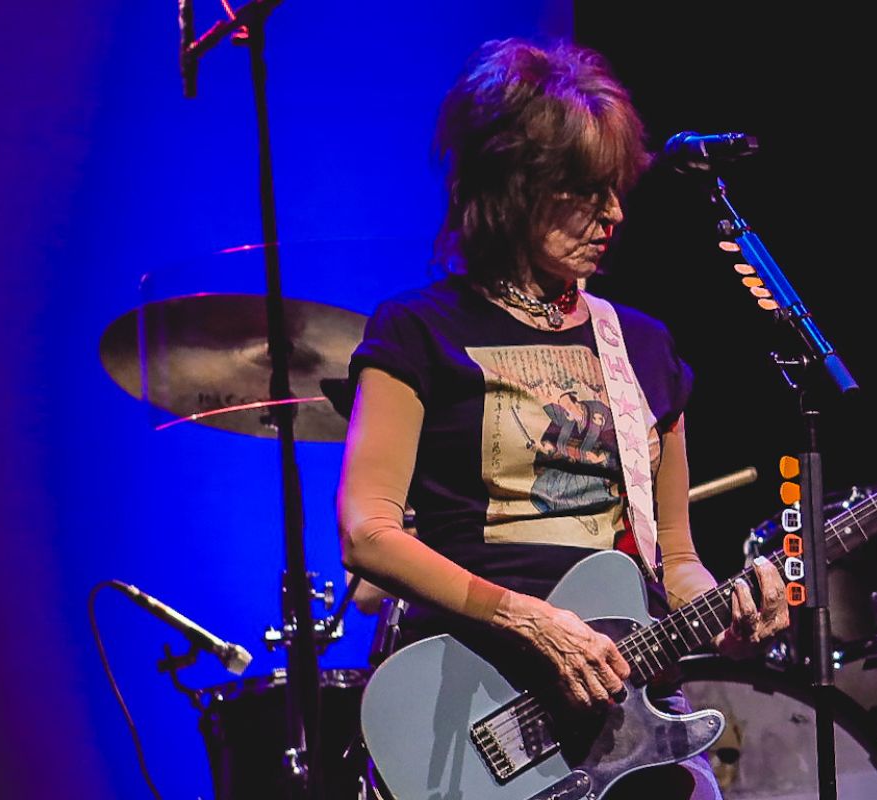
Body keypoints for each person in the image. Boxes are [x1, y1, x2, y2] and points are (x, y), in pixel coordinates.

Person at [337, 38, 788, 799]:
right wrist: (530, 620)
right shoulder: (419, 330)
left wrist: (729, 615)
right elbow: (367, 531)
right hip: (478, 698)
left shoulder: (643, 346)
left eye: (615, 188)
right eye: (584, 190)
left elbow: (676, 558)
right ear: (512, 185)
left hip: (629, 706)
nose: (614, 213)